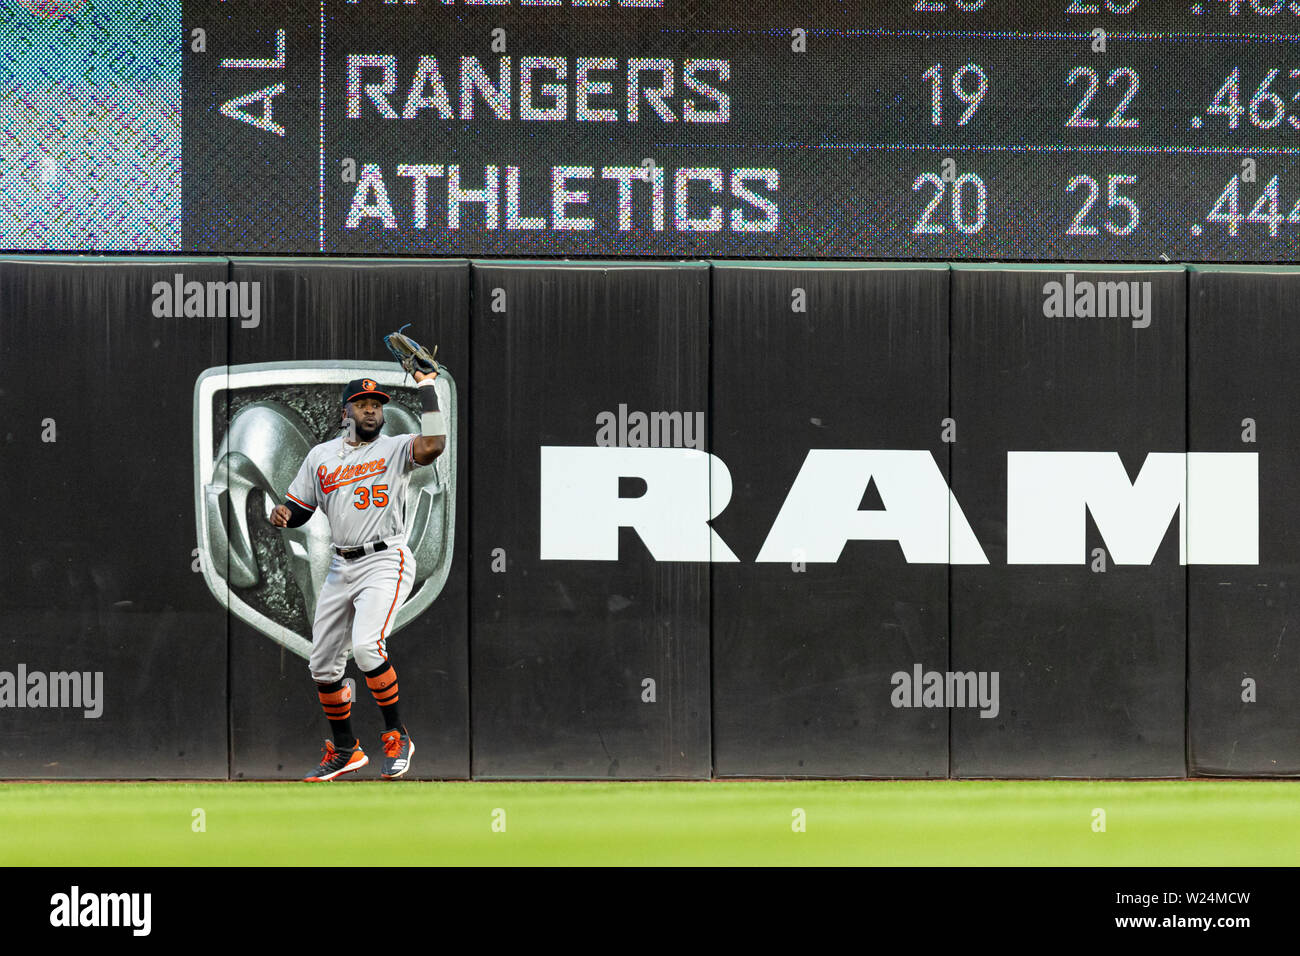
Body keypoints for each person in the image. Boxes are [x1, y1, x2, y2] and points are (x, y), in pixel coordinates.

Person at [270, 368, 446, 780]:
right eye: (363, 404)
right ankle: (347, 749)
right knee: (323, 664)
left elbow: (434, 444)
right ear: (345, 410)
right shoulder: (321, 457)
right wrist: (284, 514)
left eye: (377, 405)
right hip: (340, 564)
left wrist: (427, 387)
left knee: (367, 648)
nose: (371, 410)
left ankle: (397, 735)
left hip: (385, 559)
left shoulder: (395, 448)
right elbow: (300, 508)